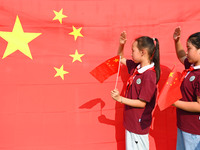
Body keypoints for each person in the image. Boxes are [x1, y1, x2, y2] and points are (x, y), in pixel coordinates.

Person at [111, 31, 160, 150]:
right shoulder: (136, 67)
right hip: (131, 122)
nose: (131, 53)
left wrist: (120, 99)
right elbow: (120, 58)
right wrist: (121, 44)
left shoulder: (149, 75)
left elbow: (142, 103)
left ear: (143, 52)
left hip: (139, 124)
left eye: (133, 50)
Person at [173, 27, 200, 150]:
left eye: (189, 48)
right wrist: (176, 41)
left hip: (194, 131)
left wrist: (175, 102)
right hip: (184, 125)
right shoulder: (191, 66)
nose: (187, 52)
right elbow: (181, 55)